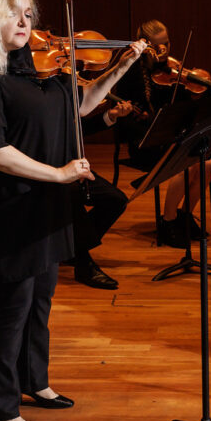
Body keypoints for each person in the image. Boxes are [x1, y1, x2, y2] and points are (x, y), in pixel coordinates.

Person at [0, 0, 145, 421]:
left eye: (29, 14)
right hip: (12, 208)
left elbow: (81, 104)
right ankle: (2, 407)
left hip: (49, 206)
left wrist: (121, 66)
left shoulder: (40, 68)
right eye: (13, 13)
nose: (25, 23)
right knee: (11, 308)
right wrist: (58, 173)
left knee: (41, 300)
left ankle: (35, 380)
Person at [111, 19, 211, 248]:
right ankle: (168, 222)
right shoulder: (132, 71)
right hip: (146, 141)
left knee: (208, 164)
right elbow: (131, 116)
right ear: (146, 45)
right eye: (159, 46)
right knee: (186, 163)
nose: (165, 49)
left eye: (167, 43)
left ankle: (185, 216)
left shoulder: (170, 69)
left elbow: (186, 101)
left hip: (172, 137)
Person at [66, 101, 132, 290]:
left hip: (70, 162)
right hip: (39, 167)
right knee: (72, 196)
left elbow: (77, 130)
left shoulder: (58, 91)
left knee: (116, 200)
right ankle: (83, 263)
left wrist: (110, 115)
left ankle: (73, 248)